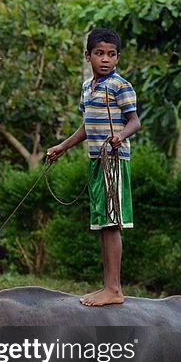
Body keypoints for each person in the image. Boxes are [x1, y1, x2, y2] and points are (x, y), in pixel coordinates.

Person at [46, 28, 141, 306]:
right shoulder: (88, 87)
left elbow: (134, 121)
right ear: (88, 56)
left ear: (118, 58)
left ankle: (113, 289)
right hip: (96, 162)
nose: (105, 59)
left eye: (111, 55)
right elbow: (87, 126)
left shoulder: (120, 86)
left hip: (114, 161)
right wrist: (63, 147)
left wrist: (120, 136)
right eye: (99, 53)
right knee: (102, 223)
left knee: (112, 223)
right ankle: (108, 286)